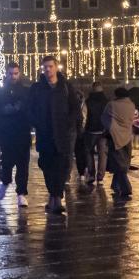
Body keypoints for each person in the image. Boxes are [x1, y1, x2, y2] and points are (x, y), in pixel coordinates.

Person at [29, 55, 82, 214]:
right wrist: (37, 122)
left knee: (62, 167)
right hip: (45, 135)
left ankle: (56, 197)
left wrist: (69, 124)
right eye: (45, 67)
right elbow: (30, 109)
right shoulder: (37, 88)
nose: (48, 70)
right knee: (47, 166)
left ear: (56, 67)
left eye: (50, 66)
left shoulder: (66, 86)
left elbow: (75, 109)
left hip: (63, 135)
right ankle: (54, 196)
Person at [0, 62, 32, 207]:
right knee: (6, 162)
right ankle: (5, 182)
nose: (13, 76)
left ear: (19, 74)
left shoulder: (26, 92)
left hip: (22, 133)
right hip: (7, 134)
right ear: (6, 74)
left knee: (23, 165)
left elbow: (30, 109)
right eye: (11, 73)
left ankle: (21, 193)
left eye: (15, 73)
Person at [103, 86, 137, 200]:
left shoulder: (111, 105)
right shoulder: (132, 105)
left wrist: (110, 126)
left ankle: (126, 187)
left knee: (118, 163)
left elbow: (103, 118)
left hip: (115, 136)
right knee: (123, 162)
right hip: (127, 136)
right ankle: (115, 185)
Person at [81, 82, 109, 191]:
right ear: (101, 89)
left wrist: (83, 128)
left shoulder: (88, 101)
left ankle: (91, 175)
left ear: (93, 89)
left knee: (89, 152)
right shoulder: (106, 101)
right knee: (103, 154)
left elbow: (84, 116)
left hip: (91, 130)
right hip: (103, 131)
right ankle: (100, 177)